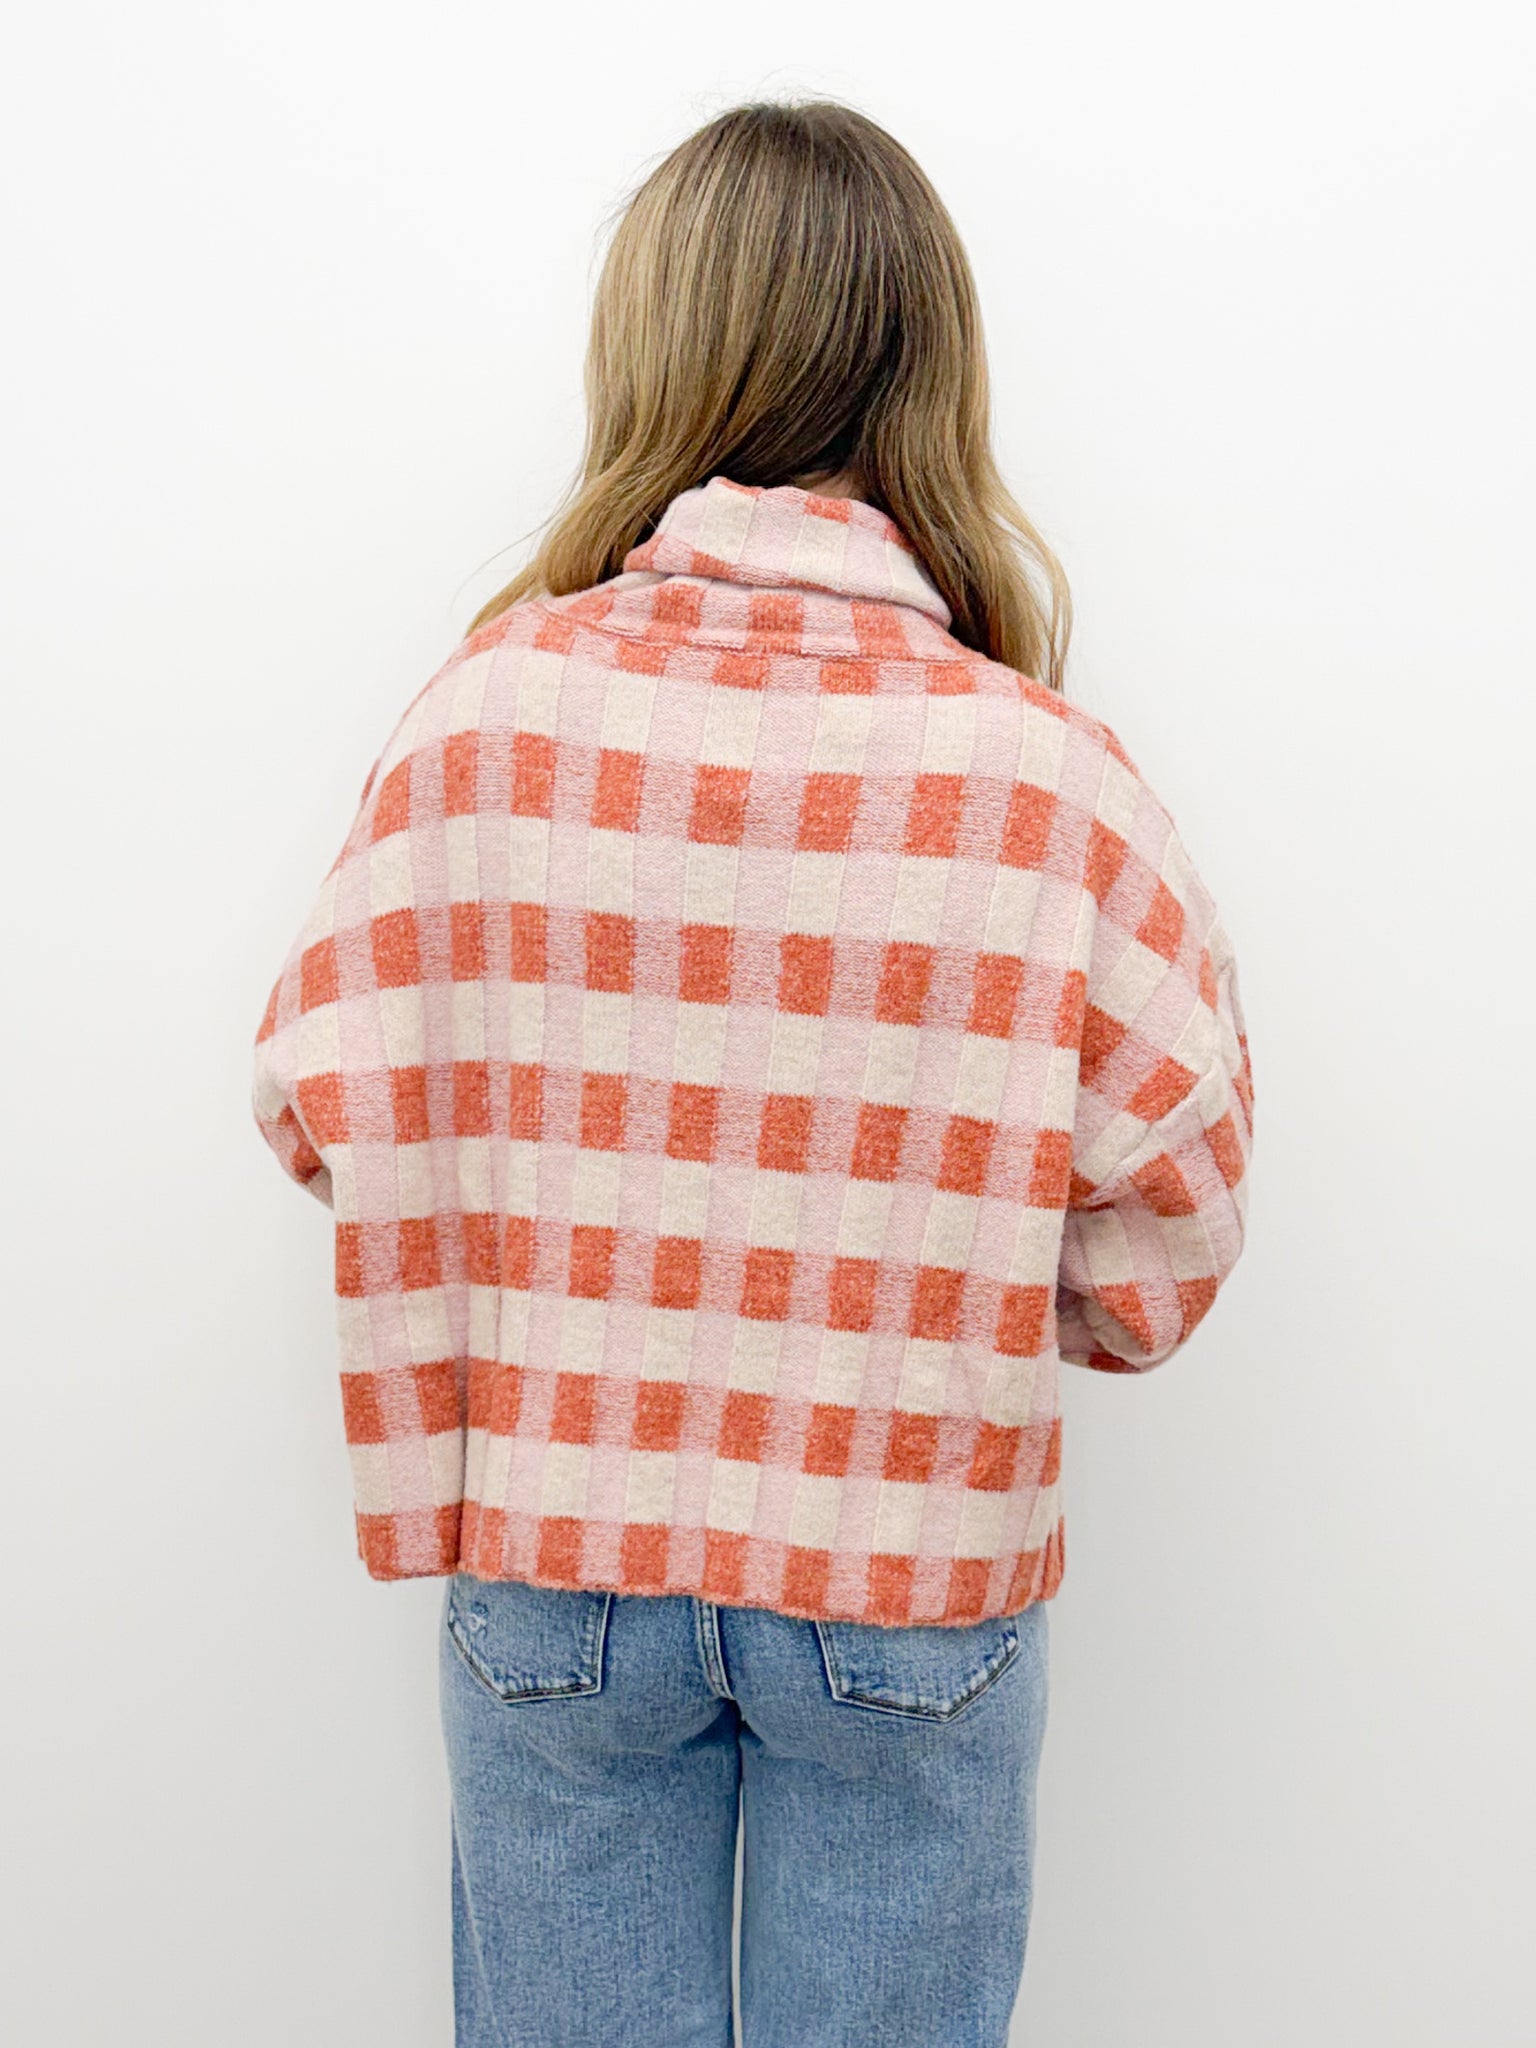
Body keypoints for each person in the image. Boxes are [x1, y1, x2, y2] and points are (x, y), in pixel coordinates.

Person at [252, 96, 1254, 2048]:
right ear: (930, 374)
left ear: (653, 349)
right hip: (909, 1562)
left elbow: (319, 1107)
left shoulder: (483, 725)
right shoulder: (1047, 778)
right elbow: (1176, 1233)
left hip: (556, 1554)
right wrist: (957, 1269)